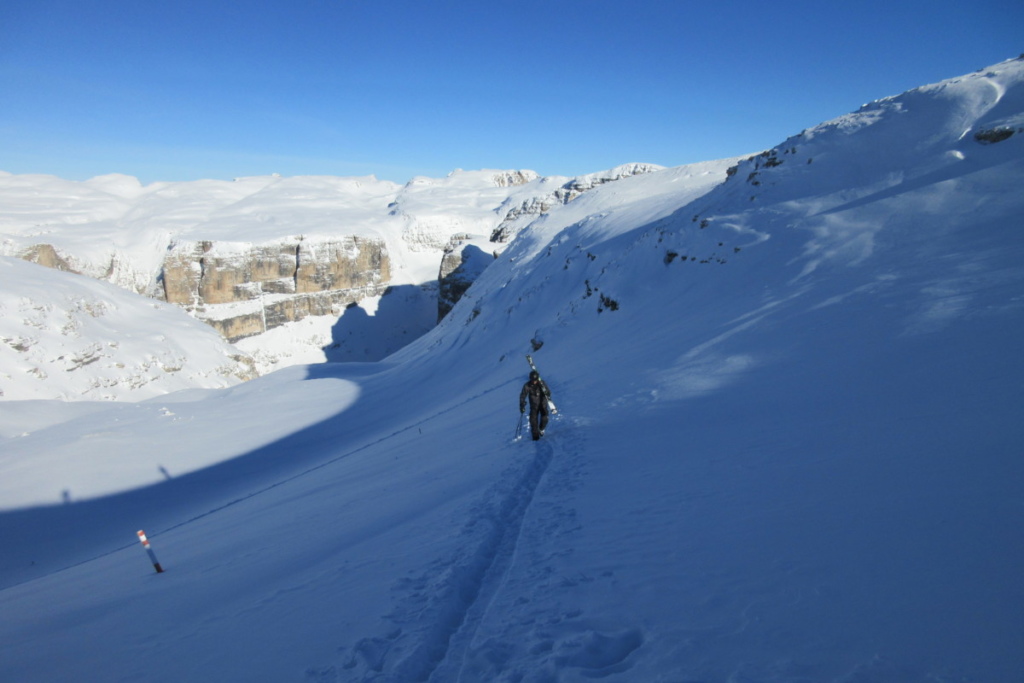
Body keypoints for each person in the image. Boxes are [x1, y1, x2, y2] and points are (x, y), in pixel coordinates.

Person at [519, 370, 552, 440]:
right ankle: (535, 438)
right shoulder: (527, 385)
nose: (534, 381)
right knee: (533, 421)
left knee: (545, 418)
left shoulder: (542, 383)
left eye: (535, 380)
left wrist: (546, 392)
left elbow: (548, 392)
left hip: (543, 404)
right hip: (534, 405)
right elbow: (522, 395)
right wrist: (522, 404)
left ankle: (541, 429)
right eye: (532, 380)